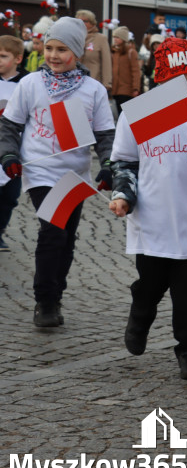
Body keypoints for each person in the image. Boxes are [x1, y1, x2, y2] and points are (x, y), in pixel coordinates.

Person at [109, 36, 187, 380]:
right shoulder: (141, 112)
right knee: (151, 283)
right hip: (152, 219)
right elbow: (125, 163)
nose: (186, 90)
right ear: (160, 79)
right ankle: (141, 314)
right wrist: (124, 196)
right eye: (178, 83)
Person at [0, 17, 116, 327]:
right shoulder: (30, 84)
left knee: (65, 238)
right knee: (52, 232)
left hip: (74, 175)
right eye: (49, 47)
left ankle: (56, 293)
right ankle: (45, 302)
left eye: (62, 49)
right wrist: (8, 153)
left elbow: (106, 135)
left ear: (77, 52)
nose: (53, 55)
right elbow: (9, 126)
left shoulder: (92, 90)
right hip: (39, 172)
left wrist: (108, 166)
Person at [0, 34, 27, 252]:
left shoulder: (27, 84)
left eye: (3, 56)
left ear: (18, 59)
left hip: (14, 150)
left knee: (9, 197)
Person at [75, 10, 113, 95]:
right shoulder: (73, 38)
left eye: (85, 21)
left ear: (92, 23)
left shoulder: (100, 38)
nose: (82, 23)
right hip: (74, 84)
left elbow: (106, 63)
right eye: (79, 21)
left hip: (93, 84)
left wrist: (107, 84)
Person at [110, 27, 140, 117]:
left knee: (126, 115)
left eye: (117, 37)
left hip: (127, 90)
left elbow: (136, 71)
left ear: (123, 39)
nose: (115, 39)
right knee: (119, 115)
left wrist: (135, 88)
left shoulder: (131, 52)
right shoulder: (114, 52)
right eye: (114, 37)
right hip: (115, 90)